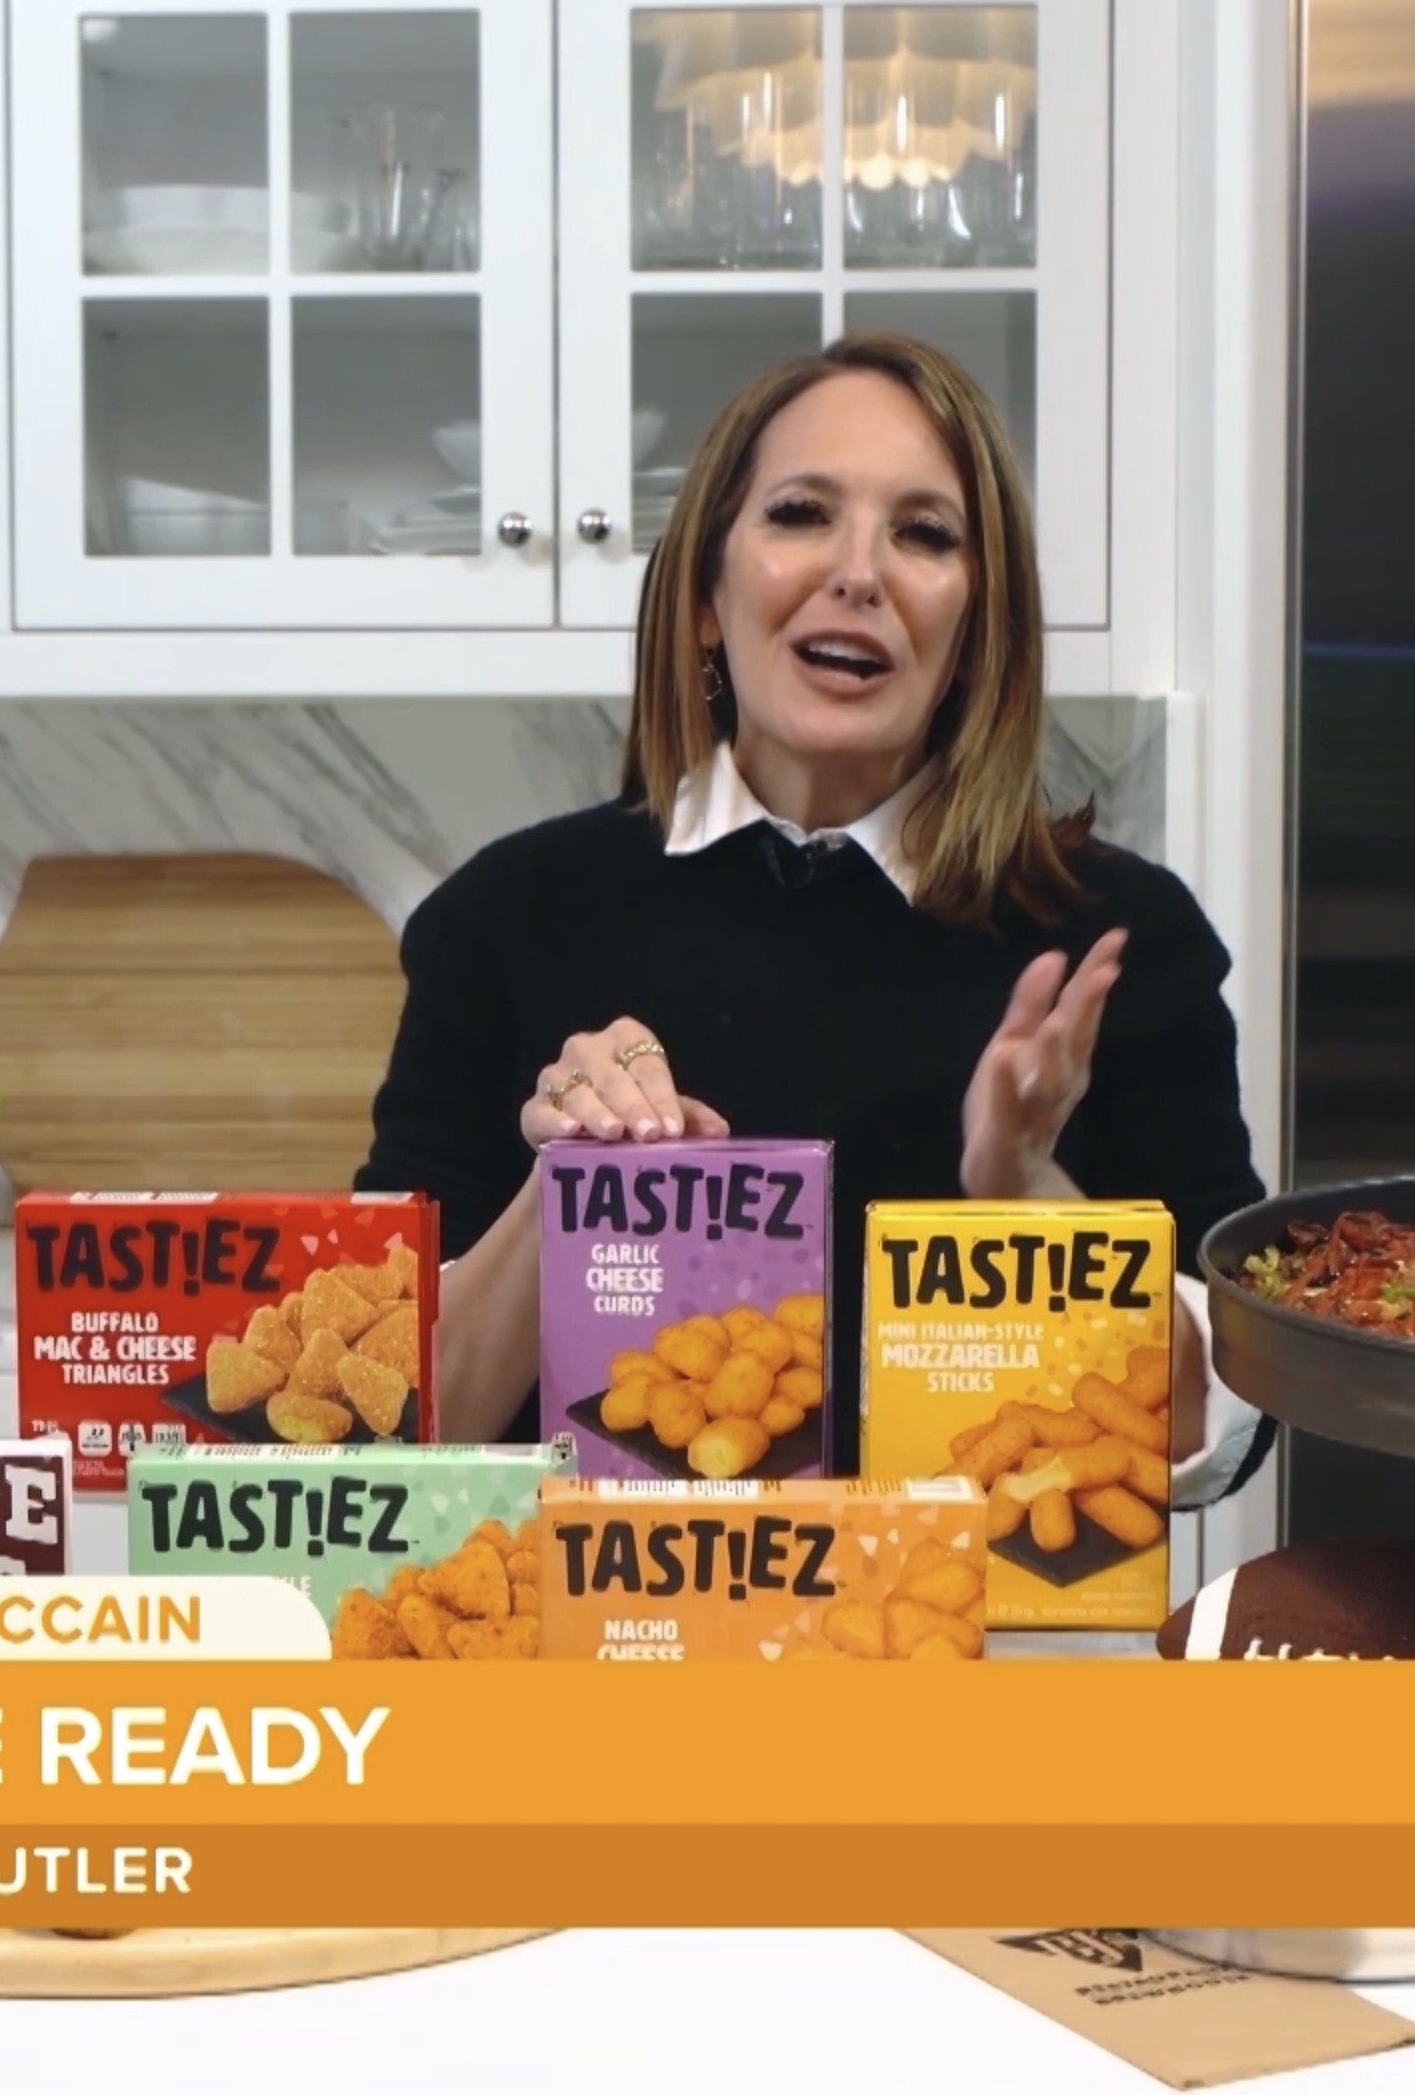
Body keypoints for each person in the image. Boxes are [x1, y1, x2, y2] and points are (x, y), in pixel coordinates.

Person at [359, 332, 1272, 1505]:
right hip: (597, 1618)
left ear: (974, 632)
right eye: (800, 514)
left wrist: (1026, 1190)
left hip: (979, 1619)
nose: (859, 573)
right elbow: (380, 1434)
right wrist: (571, 1189)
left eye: (924, 534)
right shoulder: (504, 918)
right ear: (705, 596)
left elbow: (1218, 1432)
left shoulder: (1112, 942)